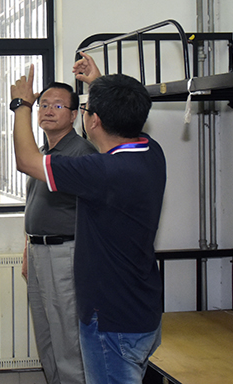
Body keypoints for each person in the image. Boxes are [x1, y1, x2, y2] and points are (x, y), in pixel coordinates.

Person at [11, 53, 166, 384]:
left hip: (111, 320)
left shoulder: (101, 170)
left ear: (92, 121)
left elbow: (25, 160)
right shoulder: (151, 153)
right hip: (140, 310)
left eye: (83, 110)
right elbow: (122, 112)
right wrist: (97, 83)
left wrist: (21, 105)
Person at [15, 82, 95, 384]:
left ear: (74, 115)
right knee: (46, 335)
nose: (48, 110)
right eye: (44, 104)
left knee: (67, 337)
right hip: (39, 251)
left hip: (65, 253)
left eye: (58, 105)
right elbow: (34, 206)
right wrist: (28, 249)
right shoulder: (43, 152)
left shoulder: (79, 152)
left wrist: (19, 106)